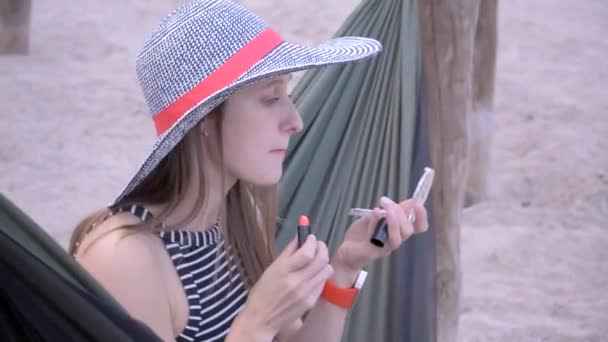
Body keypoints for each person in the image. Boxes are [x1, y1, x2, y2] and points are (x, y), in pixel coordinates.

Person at [69, 0, 429, 341]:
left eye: (286, 94)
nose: (295, 121)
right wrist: (257, 323)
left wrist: (347, 265)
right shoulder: (126, 258)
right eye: (270, 98)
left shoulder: (230, 216)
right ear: (205, 118)